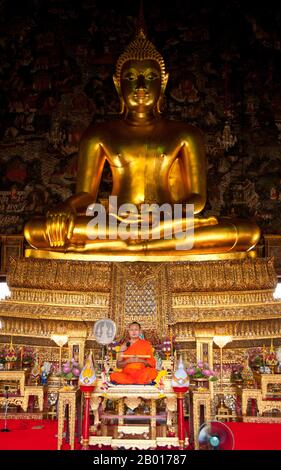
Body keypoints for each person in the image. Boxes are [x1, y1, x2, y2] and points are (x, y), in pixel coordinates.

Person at [24, 28, 260, 258]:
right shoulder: (98, 134)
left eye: (150, 78)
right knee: (35, 231)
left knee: (248, 233)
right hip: (115, 220)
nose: (140, 87)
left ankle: (129, 246)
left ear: (163, 82)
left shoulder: (186, 133)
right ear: (118, 84)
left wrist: (160, 217)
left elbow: (197, 199)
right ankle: (145, 244)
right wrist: (67, 206)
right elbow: (86, 195)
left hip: (170, 219)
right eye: (131, 78)